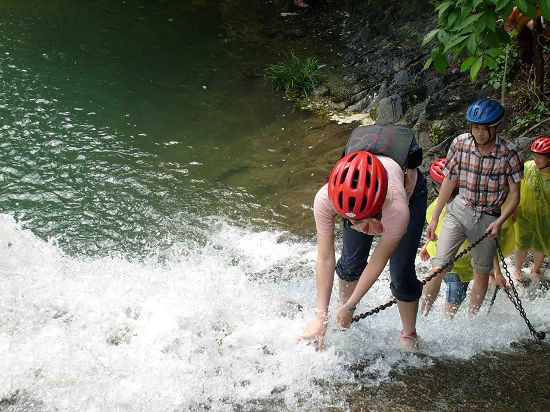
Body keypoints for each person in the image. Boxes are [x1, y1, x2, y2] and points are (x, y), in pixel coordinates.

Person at [298, 124, 427, 351]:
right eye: (351, 222)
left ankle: (409, 333)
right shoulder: (325, 199)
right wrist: (321, 316)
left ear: (378, 210)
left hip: (409, 192)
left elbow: (379, 261)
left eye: (365, 222)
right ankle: (341, 318)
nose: (359, 228)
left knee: (401, 270)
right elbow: (325, 258)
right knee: (350, 262)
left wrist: (351, 306)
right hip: (359, 196)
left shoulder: (396, 208)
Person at [425, 99, 523, 314]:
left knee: (481, 271)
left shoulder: (510, 154)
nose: (479, 133)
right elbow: (449, 181)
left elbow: (515, 197)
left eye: (484, 128)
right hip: (459, 209)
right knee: (439, 266)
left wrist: (499, 222)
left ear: (496, 127)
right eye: (475, 127)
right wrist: (435, 217)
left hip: (489, 217)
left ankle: (471, 321)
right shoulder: (460, 143)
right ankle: (420, 317)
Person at [420, 158, 507, 316]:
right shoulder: (473, 208)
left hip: (444, 261)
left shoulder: (435, 209)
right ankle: (457, 324)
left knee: (438, 281)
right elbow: (487, 241)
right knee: (453, 302)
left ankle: (420, 317)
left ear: (438, 187)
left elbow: (435, 231)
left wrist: (426, 245)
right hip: (464, 267)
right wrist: (496, 271)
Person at [513, 137, 550, 283]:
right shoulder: (528, 167)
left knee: (541, 243)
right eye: (534, 155)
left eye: (540, 156)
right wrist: (513, 207)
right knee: (521, 241)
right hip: (525, 214)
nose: (536, 159)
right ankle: (517, 269)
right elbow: (517, 189)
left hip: (546, 217)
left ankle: (536, 269)